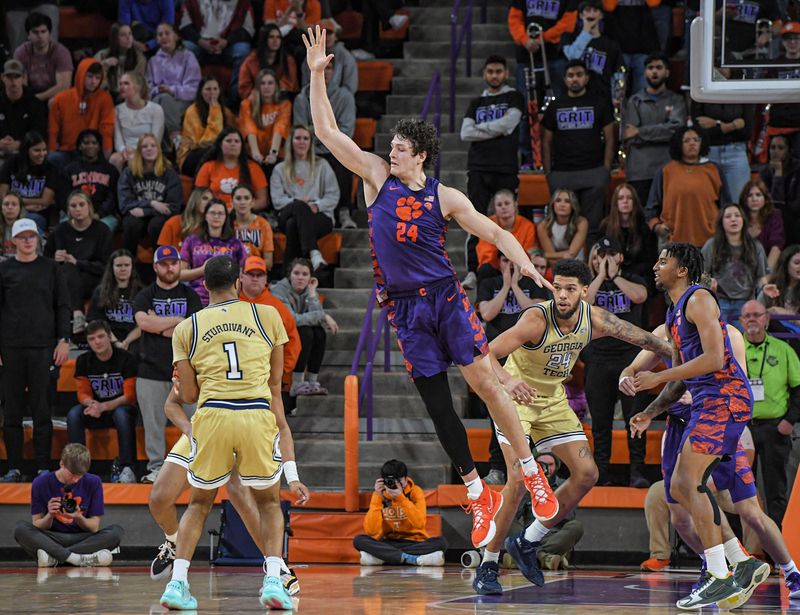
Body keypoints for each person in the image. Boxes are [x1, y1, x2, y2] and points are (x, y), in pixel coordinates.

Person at [306, 24, 564, 553]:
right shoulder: (375, 176)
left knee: (486, 385)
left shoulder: (445, 196)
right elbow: (329, 134)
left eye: (401, 148)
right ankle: (477, 494)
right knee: (437, 405)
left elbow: (495, 232)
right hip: (404, 310)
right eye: (392, 147)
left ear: (420, 155)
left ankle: (532, 475)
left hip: (446, 298)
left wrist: (532, 269)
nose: (392, 152)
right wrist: (316, 78)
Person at [472, 258, 671, 595]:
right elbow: (486, 352)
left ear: (584, 291)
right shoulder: (536, 318)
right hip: (516, 401)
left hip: (552, 400)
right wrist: (506, 381)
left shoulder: (594, 318)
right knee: (518, 480)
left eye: (569, 289)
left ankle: (528, 541)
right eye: (557, 287)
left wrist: (678, 353)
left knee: (587, 473)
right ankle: (488, 564)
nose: (562, 295)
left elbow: (644, 339)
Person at [624, 312, 800, 604]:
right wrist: (625, 377)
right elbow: (635, 366)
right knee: (680, 512)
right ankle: (718, 567)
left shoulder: (729, 335)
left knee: (746, 509)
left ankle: (783, 571)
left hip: (715, 423)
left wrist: (692, 397)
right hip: (680, 427)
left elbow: (738, 386)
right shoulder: (668, 332)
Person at [158, 256, 294, 611]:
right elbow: (276, 381)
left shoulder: (187, 327)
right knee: (268, 502)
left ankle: (178, 583)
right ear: (237, 283)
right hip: (255, 413)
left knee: (199, 503)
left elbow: (187, 396)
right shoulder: (267, 315)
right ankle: (275, 580)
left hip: (213, 415)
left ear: (204, 286)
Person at [630, 243, 753, 608]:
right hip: (705, 401)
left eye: (663, 261)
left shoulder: (700, 300)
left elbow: (715, 359)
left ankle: (719, 573)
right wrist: (653, 408)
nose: (656, 266)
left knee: (688, 483)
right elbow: (684, 377)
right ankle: (741, 563)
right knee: (681, 487)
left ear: (682, 270)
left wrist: (657, 376)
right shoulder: (674, 313)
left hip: (725, 398)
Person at [148, 367, 307, 594]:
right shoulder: (200, 347)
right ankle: (174, 542)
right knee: (159, 499)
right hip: (207, 429)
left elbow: (282, 425)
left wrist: (292, 476)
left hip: (248, 429)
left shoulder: (258, 354)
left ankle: (277, 568)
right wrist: (189, 430)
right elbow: (171, 403)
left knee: (238, 491)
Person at [0, 218, 70, 482]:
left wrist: (64, 339)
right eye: (22, 236)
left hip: (43, 348)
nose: (27, 240)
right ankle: (13, 467)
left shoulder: (51, 269)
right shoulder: (4, 271)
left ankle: (43, 467)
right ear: (14, 240)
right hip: (10, 349)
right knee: (12, 411)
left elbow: (63, 306)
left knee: (42, 410)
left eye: (32, 236)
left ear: (38, 239)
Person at [133, 245, 203, 484]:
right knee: (153, 425)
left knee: (195, 423)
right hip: (150, 370)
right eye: (164, 263)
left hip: (184, 371)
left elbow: (192, 330)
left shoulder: (190, 294)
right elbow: (144, 324)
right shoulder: (144, 294)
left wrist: (158, 322)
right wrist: (176, 321)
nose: (169, 267)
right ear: (155, 267)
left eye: (173, 263)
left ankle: (195, 466)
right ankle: (156, 469)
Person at [585, 237, 650, 487]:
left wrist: (615, 276)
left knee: (635, 416)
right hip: (598, 358)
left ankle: (637, 472)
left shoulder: (632, 278)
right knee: (601, 422)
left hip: (630, 359)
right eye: (602, 254)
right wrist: (601, 276)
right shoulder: (590, 284)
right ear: (594, 258)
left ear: (620, 257)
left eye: (612, 253)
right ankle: (602, 473)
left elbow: (640, 297)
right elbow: (582, 305)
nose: (606, 258)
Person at [459, 56, 524, 290]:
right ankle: (473, 272)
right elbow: (465, 133)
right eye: (490, 71)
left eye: (498, 71)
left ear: (505, 73)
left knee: (508, 219)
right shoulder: (476, 102)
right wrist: (496, 131)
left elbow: (510, 124)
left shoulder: (514, 96)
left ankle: (515, 265)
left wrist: (481, 129)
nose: (494, 75)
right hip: (478, 168)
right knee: (472, 220)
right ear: (485, 74)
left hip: (505, 168)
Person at [739, 300, 800, 529]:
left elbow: (798, 389)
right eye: (747, 316)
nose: (752, 319)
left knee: (776, 491)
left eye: (757, 314)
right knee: (740, 491)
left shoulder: (783, 349)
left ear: (767, 319)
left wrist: (789, 421)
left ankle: (776, 552)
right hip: (742, 429)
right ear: (741, 321)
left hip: (775, 428)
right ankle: (744, 550)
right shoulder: (735, 349)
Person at [13, 444, 124, 567]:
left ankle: (55, 557)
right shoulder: (40, 483)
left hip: (82, 538)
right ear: (61, 464)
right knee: (20, 529)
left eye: (80, 475)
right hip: (52, 537)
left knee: (116, 532)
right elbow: (37, 524)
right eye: (72, 474)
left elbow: (94, 527)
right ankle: (78, 559)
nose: (76, 480)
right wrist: (50, 515)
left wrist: (78, 517)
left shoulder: (94, 481)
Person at [542, 60, 615, 240]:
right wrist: (548, 173)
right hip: (562, 173)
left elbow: (611, 138)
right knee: (563, 228)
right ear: (565, 79)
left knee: (593, 227)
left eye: (579, 75)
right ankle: (566, 266)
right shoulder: (555, 105)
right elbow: (545, 141)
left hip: (593, 173)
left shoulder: (599, 103)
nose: (575, 79)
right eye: (571, 75)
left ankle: (591, 266)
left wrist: (605, 169)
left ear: (587, 78)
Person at [508, 0, 578, 167]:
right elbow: (514, 19)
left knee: (558, 110)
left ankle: (558, 155)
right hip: (527, 58)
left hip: (554, 57)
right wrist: (525, 40)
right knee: (526, 111)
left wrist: (544, 37)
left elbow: (569, 22)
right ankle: (528, 158)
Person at [67, 321, 138, 485]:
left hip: (121, 408)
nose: (97, 342)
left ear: (109, 336)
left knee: (122, 414)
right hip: (95, 409)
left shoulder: (126, 358)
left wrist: (104, 406)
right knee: (73, 414)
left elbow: (130, 396)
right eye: (91, 339)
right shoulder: (83, 360)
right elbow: (82, 392)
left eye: (100, 336)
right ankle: (78, 468)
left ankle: (127, 468)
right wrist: (91, 403)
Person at [293, 54, 356, 229]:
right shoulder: (301, 98)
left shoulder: (345, 97)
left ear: (334, 71)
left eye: (328, 68)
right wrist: (326, 131)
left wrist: (317, 130)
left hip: (335, 150)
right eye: (322, 67)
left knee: (346, 161)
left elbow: (346, 132)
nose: (325, 71)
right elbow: (300, 131)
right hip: (309, 150)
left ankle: (344, 212)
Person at [646, 126, 730, 248]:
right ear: (678, 144)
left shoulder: (714, 169)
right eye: (687, 140)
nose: (692, 143)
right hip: (673, 242)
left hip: (710, 242)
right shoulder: (666, 171)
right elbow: (651, 208)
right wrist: (656, 226)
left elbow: (726, 206)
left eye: (696, 140)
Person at [354, 459, 448, 566]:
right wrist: (377, 498)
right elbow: (371, 531)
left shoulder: (415, 492)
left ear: (406, 479)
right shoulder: (379, 495)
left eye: (399, 480)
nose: (395, 484)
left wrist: (401, 498)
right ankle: (411, 559)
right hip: (389, 542)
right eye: (390, 480)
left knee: (441, 543)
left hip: (415, 542)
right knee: (359, 540)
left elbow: (419, 524)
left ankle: (387, 557)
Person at [270, 124, 340, 270]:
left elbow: (333, 195)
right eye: (298, 138)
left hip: (320, 215)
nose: (302, 142)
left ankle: (287, 275)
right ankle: (314, 253)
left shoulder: (322, 166)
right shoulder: (279, 169)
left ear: (310, 142)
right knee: (299, 208)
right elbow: (277, 201)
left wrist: (317, 205)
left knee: (292, 225)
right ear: (291, 141)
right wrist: (300, 204)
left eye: (305, 138)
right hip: (287, 212)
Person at [622, 51, 686, 208]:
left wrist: (640, 131)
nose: (654, 71)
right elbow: (630, 135)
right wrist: (662, 130)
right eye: (650, 68)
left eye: (659, 67)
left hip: (669, 169)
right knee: (641, 222)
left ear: (667, 72)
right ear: (645, 72)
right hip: (640, 171)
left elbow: (676, 130)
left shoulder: (677, 100)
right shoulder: (635, 100)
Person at [45, 191, 113, 335]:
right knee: (67, 270)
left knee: (71, 269)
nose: (77, 209)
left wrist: (78, 263)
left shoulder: (102, 230)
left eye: (81, 205)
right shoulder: (60, 230)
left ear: (89, 207)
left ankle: (77, 316)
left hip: (94, 278)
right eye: (73, 205)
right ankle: (78, 315)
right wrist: (54, 258)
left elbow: (106, 266)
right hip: (65, 279)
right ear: (68, 210)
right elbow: (45, 261)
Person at [271, 258, 337, 396]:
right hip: (279, 337)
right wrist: (323, 316)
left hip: (298, 334)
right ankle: (297, 384)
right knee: (305, 332)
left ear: (310, 277)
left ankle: (312, 382)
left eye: (305, 274)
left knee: (319, 332)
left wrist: (313, 293)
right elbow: (293, 320)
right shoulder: (278, 291)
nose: (300, 277)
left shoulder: (308, 291)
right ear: (290, 275)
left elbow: (317, 320)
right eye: (296, 273)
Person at [239, 255, 301, 392]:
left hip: (268, 381)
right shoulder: (231, 303)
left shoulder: (277, 307)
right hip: (236, 378)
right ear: (241, 276)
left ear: (266, 278)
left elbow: (293, 341)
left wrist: (280, 371)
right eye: (250, 274)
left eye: (260, 274)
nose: (255, 278)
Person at [701, 203, 768, 328]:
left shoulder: (755, 246)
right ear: (721, 222)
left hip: (746, 302)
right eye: (728, 216)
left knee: (742, 343)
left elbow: (761, 277)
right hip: (719, 301)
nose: (733, 219)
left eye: (737, 215)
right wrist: (708, 281)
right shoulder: (711, 245)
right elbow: (700, 273)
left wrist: (764, 291)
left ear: (743, 220)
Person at [118, 134, 182, 259]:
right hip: (139, 214)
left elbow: (173, 207)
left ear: (159, 150)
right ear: (139, 151)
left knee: (156, 225)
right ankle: (127, 263)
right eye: (144, 146)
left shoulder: (168, 172)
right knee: (131, 223)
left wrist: (145, 211)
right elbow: (124, 205)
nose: (149, 149)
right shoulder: (129, 172)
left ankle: (161, 264)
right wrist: (152, 203)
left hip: (158, 216)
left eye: (153, 146)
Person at [178, 0, 256, 100]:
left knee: (243, 50)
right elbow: (185, 27)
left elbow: (248, 30)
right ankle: (187, 94)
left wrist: (227, 42)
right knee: (185, 48)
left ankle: (235, 96)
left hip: (228, 45)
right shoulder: (192, 2)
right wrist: (201, 42)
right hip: (201, 44)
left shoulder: (242, 3)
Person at [180, 199, 248, 306]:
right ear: (205, 216)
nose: (216, 216)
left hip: (226, 299)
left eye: (220, 213)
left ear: (226, 217)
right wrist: (202, 270)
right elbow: (179, 274)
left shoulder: (236, 244)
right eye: (212, 213)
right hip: (196, 297)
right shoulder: (192, 241)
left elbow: (241, 276)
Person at [48, 59, 115, 167]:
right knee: (52, 159)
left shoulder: (105, 99)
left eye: (97, 78)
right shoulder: (61, 99)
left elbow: (106, 128)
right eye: (89, 76)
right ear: (81, 75)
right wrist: (51, 149)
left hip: (93, 153)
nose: (93, 81)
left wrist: (106, 153)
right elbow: (53, 130)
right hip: (67, 152)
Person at [146, 22, 202, 150]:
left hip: (183, 100)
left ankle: (166, 147)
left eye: (167, 33)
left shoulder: (188, 56)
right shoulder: (153, 61)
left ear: (176, 36)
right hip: (159, 100)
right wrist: (158, 89)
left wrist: (172, 90)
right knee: (161, 100)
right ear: (157, 39)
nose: (164, 37)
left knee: (163, 105)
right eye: (160, 35)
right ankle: (175, 140)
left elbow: (194, 88)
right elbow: (147, 88)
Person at [692, 102, 754, 211]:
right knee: (706, 206)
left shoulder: (741, 90)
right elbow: (699, 131)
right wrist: (732, 125)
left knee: (740, 207)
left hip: (736, 152)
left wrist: (715, 124)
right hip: (709, 153)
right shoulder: (704, 91)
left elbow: (747, 131)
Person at [560, 0, 623, 103]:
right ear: (580, 15)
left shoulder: (611, 45)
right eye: (588, 10)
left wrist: (617, 97)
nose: (591, 14)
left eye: (595, 10)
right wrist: (586, 32)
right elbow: (572, 57)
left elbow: (618, 73)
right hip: (575, 98)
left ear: (601, 15)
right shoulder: (568, 38)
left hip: (603, 99)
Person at [58, 129, 120, 232]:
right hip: (74, 214)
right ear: (79, 146)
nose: (90, 146)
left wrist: (98, 214)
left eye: (94, 143)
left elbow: (112, 198)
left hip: (103, 216)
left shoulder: (110, 170)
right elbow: (63, 196)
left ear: (99, 146)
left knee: (102, 229)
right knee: (64, 228)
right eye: (86, 143)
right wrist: (78, 214)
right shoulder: (69, 170)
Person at [195, 128, 269, 211]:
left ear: (241, 146)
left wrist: (239, 210)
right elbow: (198, 197)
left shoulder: (253, 168)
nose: (233, 144)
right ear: (220, 144)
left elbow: (263, 200)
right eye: (228, 141)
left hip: (243, 215)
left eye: (237, 141)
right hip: (215, 214)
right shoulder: (208, 166)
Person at [473, 190, 536, 286]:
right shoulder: (487, 224)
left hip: (520, 267)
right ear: (495, 208)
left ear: (515, 204)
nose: (503, 207)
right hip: (496, 266)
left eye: (507, 203)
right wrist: (503, 264)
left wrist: (513, 264)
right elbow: (485, 254)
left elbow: (528, 252)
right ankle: (482, 300)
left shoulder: (527, 226)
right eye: (499, 204)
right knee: (484, 270)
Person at [599, 182, 658, 285]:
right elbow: (601, 254)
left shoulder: (644, 226)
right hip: (614, 273)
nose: (625, 201)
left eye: (629, 198)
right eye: (620, 198)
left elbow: (650, 260)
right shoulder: (606, 226)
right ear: (615, 203)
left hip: (641, 276)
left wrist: (629, 276)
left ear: (634, 202)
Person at [176, 76, 237, 176]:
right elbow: (205, 142)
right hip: (191, 156)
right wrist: (215, 112)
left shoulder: (226, 112)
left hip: (217, 152)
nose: (212, 93)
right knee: (213, 152)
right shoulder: (192, 112)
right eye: (208, 89)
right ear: (201, 92)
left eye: (215, 89)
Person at [87, 249, 144, 352]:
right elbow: (96, 322)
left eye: (127, 265)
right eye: (119, 265)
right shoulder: (100, 291)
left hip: (134, 339)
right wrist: (115, 342)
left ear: (132, 267)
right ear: (112, 268)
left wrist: (127, 341)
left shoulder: (142, 292)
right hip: (108, 337)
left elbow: (143, 324)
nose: (123, 269)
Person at [0, 131, 57, 234]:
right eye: (37, 150)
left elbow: (45, 201)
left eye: (44, 150)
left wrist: (18, 203)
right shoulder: (11, 163)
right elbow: (3, 195)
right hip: (10, 210)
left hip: (36, 215)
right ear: (26, 150)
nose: (42, 154)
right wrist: (24, 206)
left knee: (30, 222)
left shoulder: (50, 169)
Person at [601, 0, 661, 94]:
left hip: (643, 45)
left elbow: (654, 3)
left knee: (642, 96)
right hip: (618, 47)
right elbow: (608, 6)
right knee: (617, 96)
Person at [111, 73, 166, 172]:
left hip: (148, 149)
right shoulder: (117, 110)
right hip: (126, 151)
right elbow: (118, 140)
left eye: (126, 83)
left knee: (133, 160)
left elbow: (155, 140)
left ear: (138, 87)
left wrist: (138, 151)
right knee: (114, 159)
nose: (122, 87)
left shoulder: (156, 109)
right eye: (120, 84)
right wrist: (123, 150)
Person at [13, 12, 72, 103]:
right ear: (28, 35)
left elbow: (64, 86)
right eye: (35, 32)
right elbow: (21, 84)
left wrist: (38, 98)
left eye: (43, 31)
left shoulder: (61, 52)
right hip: (31, 94)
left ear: (49, 34)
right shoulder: (21, 52)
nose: (40, 36)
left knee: (54, 101)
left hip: (54, 94)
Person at [239, 69, 292, 170]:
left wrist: (273, 153)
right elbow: (249, 128)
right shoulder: (246, 105)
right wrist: (255, 153)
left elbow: (280, 128)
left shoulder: (285, 105)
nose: (266, 87)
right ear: (257, 87)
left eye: (270, 83)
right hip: (253, 155)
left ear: (276, 86)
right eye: (262, 83)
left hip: (277, 155)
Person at [0, 59, 47, 160]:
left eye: (17, 77)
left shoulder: (35, 104)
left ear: (23, 78)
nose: (13, 81)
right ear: (3, 78)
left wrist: (20, 144)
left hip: (26, 152)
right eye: (9, 77)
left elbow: (39, 132)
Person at [239, 23, 300, 100]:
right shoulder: (251, 61)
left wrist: (272, 93)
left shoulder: (288, 60)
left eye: (278, 37)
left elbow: (289, 85)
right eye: (271, 37)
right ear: (264, 39)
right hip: (257, 100)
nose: (275, 41)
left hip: (281, 98)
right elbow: (244, 87)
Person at [759, 135, 800, 244]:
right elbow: (772, 204)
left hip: (795, 218)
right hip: (774, 217)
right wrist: (778, 173)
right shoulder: (765, 172)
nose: (775, 151)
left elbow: (796, 205)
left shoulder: (798, 169)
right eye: (772, 148)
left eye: (781, 148)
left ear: (789, 151)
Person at [299, 19, 358, 95]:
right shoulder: (311, 55)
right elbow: (306, 85)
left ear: (336, 36)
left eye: (329, 33)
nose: (326, 37)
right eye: (322, 33)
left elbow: (350, 87)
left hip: (339, 100)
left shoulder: (345, 56)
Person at [95, 23, 147, 102]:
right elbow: (95, 85)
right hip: (106, 98)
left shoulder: (139, 58)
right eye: (123, 35)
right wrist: (104, 67)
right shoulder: (102, 55)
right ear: (115, 38)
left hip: (128, 99)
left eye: (130, 34)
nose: (128, 38)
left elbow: (139, 85)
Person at [536, 189, 589, 266]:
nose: (562, 204)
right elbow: (551, 259)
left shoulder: (581, 222)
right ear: (553, 204)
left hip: (577, 263)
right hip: (554, 265)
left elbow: (572, 255)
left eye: (567, 201)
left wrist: (546, 255)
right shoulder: (543, 226)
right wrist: (562, 255)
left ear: (573, 205)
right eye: (558, 200)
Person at [742, 178, 785, 271]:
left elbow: (776, 248)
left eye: (758, 195)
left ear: (765, 199)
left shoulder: (774, 216)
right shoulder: (739, 218)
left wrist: (766, 274)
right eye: (750, 195)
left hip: (767, 269)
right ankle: (703, 284)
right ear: (745, 200)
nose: (754, 199)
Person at [157, 188, 214, 252]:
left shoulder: (214, 227)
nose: (209, 203)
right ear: (194, 200)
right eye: (205, 198)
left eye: (211, 200)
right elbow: (162, 255)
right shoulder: (174, 222)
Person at [232, 184, 274, 267]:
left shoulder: (263, 224)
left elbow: (269, 262)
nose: (242, 202)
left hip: (255, 271)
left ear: (253, 202)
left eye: (246, 198)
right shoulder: (226, 224)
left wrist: (250, 266)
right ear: (232, 202)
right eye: (238, 198)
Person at [0, 192, 33, 261]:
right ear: (1, 208)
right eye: (6, 204)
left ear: (20, 209)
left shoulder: (29, 228)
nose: (10, 207)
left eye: (14, 204)